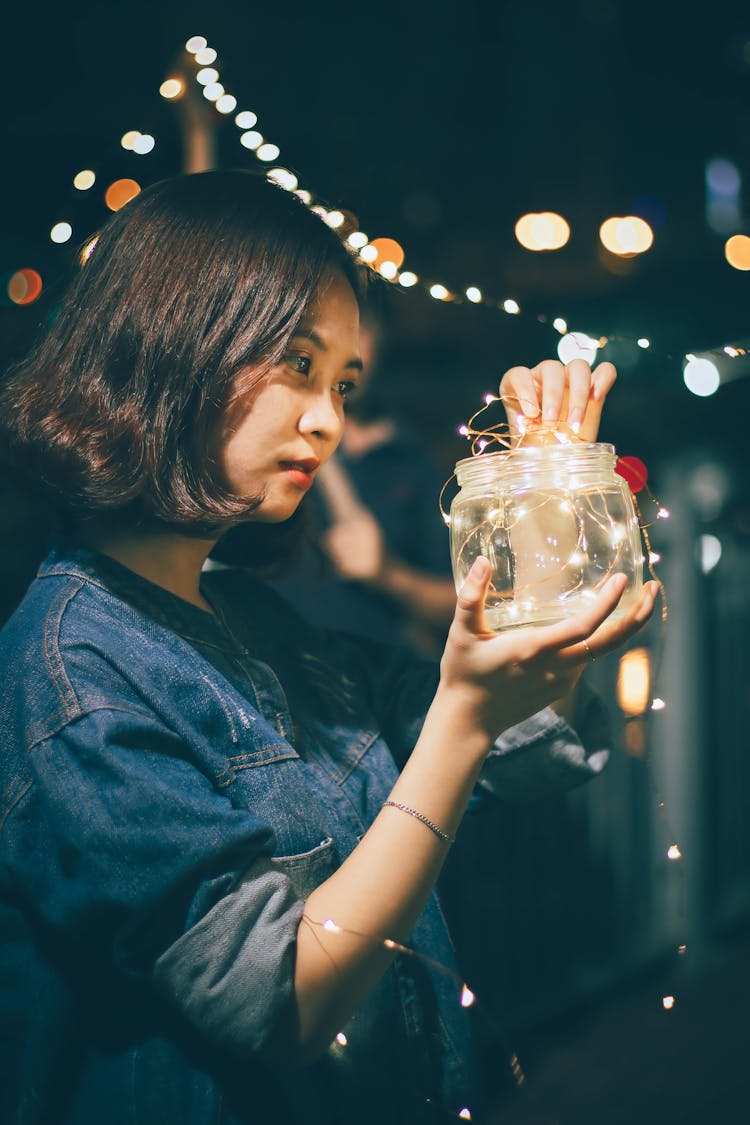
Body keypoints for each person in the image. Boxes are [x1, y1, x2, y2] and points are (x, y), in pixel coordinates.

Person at [0, 170, 658, 1125]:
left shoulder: (260, 625)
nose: (329, 419)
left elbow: (531, 750)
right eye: (299, 366)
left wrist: (548, 496)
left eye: (344, 383)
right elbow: (278, 999)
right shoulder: (72, 678)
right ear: (174, 345)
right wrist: (462, 721)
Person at [262, 306, 457, 657]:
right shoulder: (267, 434)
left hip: (381, 683)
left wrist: (387, 574)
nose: (346, 342)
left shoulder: (409, 456)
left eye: (358, 328)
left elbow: (460, 605)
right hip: (273, 671)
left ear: (379, 340)